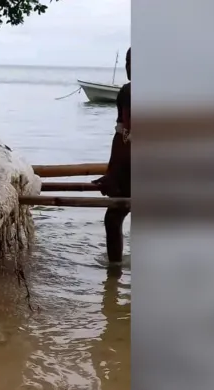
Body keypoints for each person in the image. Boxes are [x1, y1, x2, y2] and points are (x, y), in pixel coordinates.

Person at [93, 47, 131, 264]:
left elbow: (125, 138)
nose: (128, 67)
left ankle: (114, 275)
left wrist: (113, 174)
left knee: (114, 218)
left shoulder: (128, 92)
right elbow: (122, 135)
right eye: (127, 62)